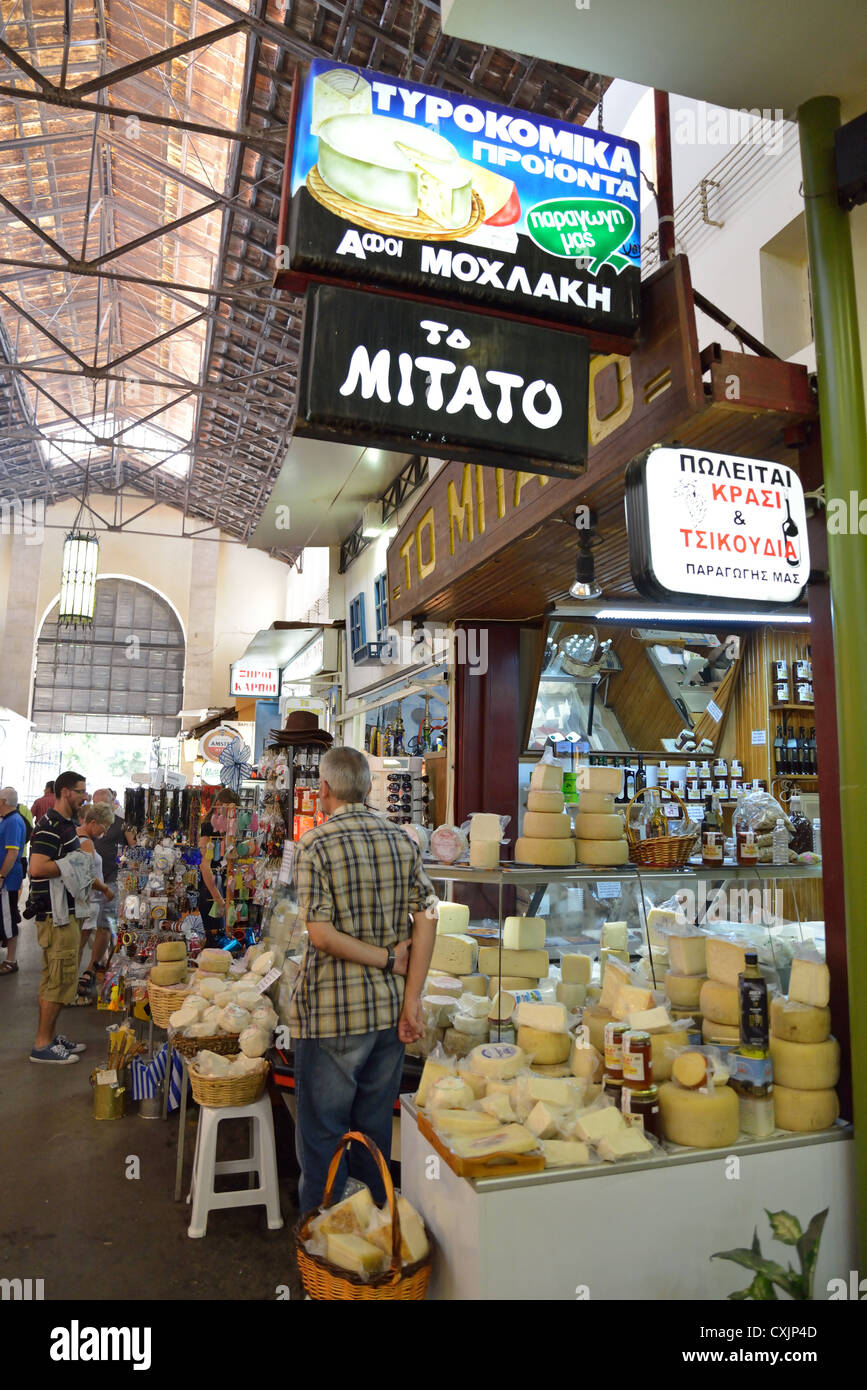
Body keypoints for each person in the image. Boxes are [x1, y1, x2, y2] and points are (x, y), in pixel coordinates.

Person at [290, 746, 437, 1214]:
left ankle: (326, 1256)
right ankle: (376, 1249)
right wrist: (411, 996)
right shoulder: (402, 840)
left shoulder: (316, 844)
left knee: (324, 1143)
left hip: (333, 1016)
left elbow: (320, 934)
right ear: (369, 788)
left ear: (325, 790)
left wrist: (388, 960)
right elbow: (429, 916)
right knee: (372, 1137)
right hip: (388, 1017)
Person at [27, 770, 107, 1064]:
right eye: (81, 791)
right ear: (65, 792)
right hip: (55, 916)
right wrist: (71, 864)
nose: (85, 796)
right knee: (57, 978)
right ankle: (42, 1044)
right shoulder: (49, 826)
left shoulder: (66, 825)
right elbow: (37, 867)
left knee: (62, 978)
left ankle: (51, 1035)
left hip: (67, 914)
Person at [85, 788, 135, 976]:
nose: (100, 807)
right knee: (91, 925)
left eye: (104, 804)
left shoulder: (122, 823)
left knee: (105, 923)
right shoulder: (90, 822)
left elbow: (134, 846)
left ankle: (94, 965)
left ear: (112, 801)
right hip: (92, 882)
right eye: (96, 804)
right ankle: (100, 959)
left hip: (112, 879)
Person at [74, 801, 116, 1000]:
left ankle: (72, 987)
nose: (105, 832)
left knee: (78, 947)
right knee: (77, 947)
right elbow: (87, 877)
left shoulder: (79, 836)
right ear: (92, 822)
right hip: (87, 902)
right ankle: (71, 991)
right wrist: (105, 889)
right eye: (104, 827)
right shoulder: (86, 842)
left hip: (87, 902)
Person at [197, 788, 240, 947]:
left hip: (218, 885)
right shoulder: (209, 828)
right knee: (214, 939)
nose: (232, 813)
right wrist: (218, 898)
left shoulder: (224, 828)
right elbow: (204, 865)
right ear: (220, 805)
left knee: (219, 935)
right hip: (210, 889)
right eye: (230, 808)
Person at [0, 787, 27, 975]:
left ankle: (11, 960)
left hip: (7, 879)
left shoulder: (12, 822)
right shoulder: (9, 820)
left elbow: (12, 852)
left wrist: (1, 876)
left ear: (3, 802)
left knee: (8, 919)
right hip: (6, 877)